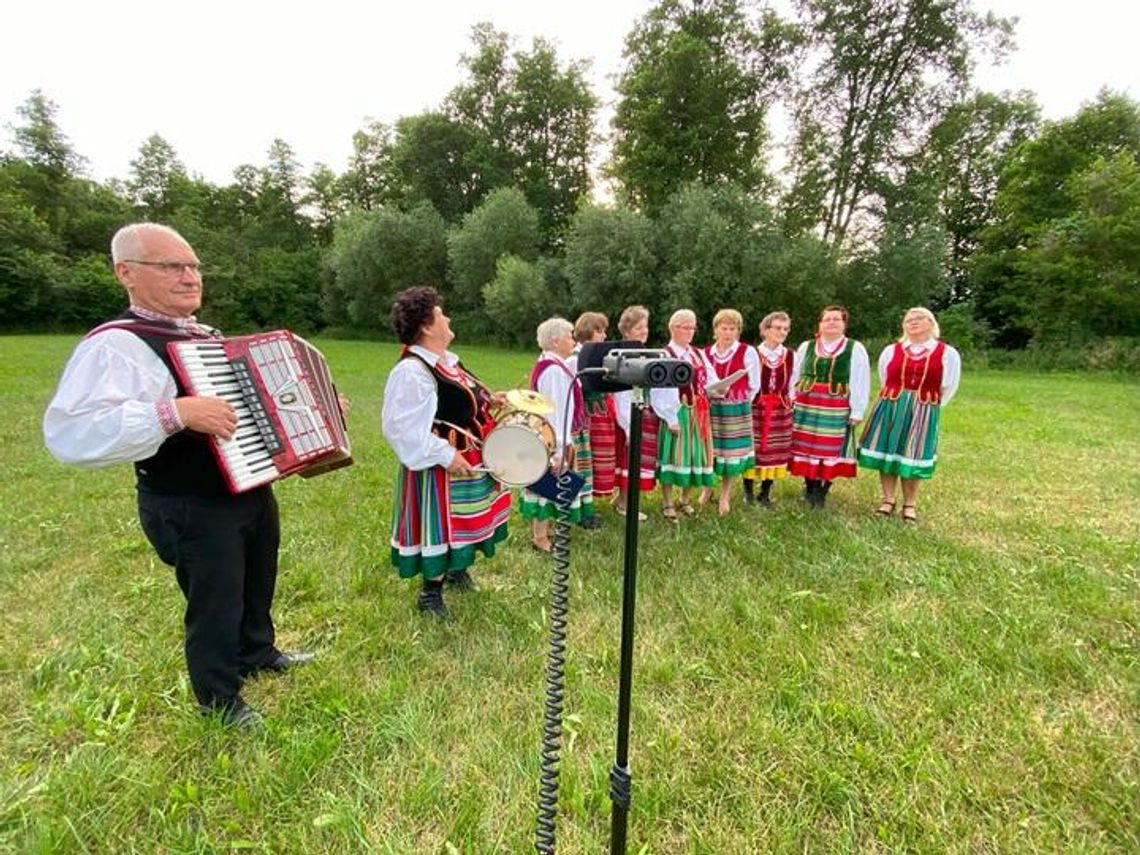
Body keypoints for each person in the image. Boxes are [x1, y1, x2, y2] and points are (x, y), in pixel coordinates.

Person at [43, 223, 315, 729]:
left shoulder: (204, 338)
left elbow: (250, 409)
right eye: (171, 266)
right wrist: (174, 414)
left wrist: (308, 420)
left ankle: (257, 652)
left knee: (256, 579)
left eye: (193, 266)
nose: (190, 277)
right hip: (188, 500)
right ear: (126, 272)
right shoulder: (116, 346)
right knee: (214, 598)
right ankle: (218, 698)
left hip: (247, 485)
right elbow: (72, 433)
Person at [381, 286, 511, 618]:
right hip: (438, 467)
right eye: (441, 313)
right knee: (440, 524)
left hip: (466, 455)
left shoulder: (447, 361)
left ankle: (457, 568)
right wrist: (444, 455)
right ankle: (430, 593)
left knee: (465, 520)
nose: (448, 317)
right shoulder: (413, 371)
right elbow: (403, 430)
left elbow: (459, 396)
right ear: (426, 326)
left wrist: (488, 399)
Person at [858, 307, 961, 522]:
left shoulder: (946, 353)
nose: (912, 322)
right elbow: (885, 376)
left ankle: (910, 503)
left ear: (931, 323)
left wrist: (928, 406)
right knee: (889, 452)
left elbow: (949, 385)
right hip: (892, 405)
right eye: (908, 319)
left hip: (923, 407)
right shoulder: (892, 350)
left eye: (918, 318)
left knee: (913, 454)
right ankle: (887, 499)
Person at [520, 317, 596, 550]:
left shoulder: (552, 364)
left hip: (549, 435)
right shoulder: (553, 371)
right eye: (569, 335)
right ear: (554, 341)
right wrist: (560, 448)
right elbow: (556, 411)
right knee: (548, 483)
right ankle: (540, 537)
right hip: (551, 437)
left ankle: (547, 530)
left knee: (550, 483)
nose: (572, 340)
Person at [788, 305, 871, 509]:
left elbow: (861, 380)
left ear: (844, 324)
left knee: (830, 447)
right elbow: (794, 374)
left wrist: (858, 409)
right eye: (827, 319)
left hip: (835, 405)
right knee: (805, 445)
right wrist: (791, 397)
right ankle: (809, 486)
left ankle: (822, 491)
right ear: (820, 324)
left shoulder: (854, 348)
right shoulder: (807, 346)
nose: (832, 322)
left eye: (837, 319)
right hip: (807, 404)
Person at [655, 309, 716, 521]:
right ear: (672, 328)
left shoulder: (697, 354)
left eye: (692, 327)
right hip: (677, 411)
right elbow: (659, 391)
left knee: (694, 454)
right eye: (685, 326)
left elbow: (711, 380)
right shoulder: (665, 355)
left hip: (698, 411)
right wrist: (670, 417)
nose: (690, 331)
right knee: (673, 454)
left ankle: (686, 499)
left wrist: (720, 388)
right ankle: (667, 502)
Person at [704, 309, 760, 515]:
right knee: (710, 450)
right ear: (715, 329)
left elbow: (755, 384)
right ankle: (707, 488)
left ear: (738, 331)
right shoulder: (707, 352)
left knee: (730, 453)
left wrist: (739, 401)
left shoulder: (747, 351)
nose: (728, 332)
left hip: (735, 409)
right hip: (710, 408)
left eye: (732, 329)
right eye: (724, 328)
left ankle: (725, 495)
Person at [741, 312, 795, 508]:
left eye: (785, 329)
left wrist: (790, 403)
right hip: (757, 407)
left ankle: (765, 492)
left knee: (775, 451)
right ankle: (747, 490)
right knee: (752, 449)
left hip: (780, 408)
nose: (782, 332)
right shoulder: (752, 353)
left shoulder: (790, 355)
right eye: (778, 328)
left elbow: (792, 384)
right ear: (765, 330)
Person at [612, 305, 659, 521]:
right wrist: (630, 427)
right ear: (628, 330)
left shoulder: (643, 352)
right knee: (629, 461)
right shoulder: (626, 355)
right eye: (639, 327)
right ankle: (624, 503)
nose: (644, 330)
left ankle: (623, 501)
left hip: (642, 411)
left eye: (645, 326)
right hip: (628, 416)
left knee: (638, 460)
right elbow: (621, 395)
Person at [573, 312, 616, 520]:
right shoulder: (577, 356)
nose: (604, 336)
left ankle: (586, 508)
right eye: (601, 331)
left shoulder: (591, 354)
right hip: (585, 419)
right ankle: (580, 511)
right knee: (582, 465)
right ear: (591, 331)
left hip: (596, 415)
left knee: (591, 464)